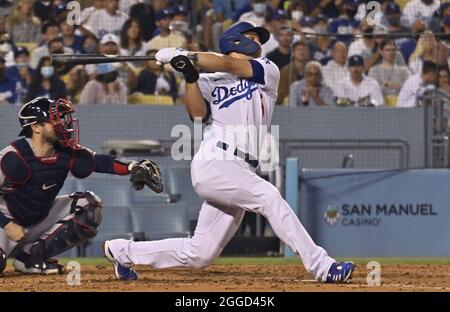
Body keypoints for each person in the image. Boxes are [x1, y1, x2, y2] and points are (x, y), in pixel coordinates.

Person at [104, 21, 355, 283]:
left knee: (200, 253)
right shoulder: (209, 80)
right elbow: (197, 114)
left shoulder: (267, 69)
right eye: (252, 37)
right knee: (268, 196)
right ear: (235, 40)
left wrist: (185, 56)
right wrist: (190, 75)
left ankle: (122, 251)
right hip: (216, 161)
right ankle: (322, 266)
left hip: (241, 169)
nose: (259, 42)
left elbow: (229, 65)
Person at [0, 97, 163, 275]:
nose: (62, 124)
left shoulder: (64, 151)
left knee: (88, 206)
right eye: (54, 119)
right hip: (6, 225)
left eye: (61, 118)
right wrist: (7, 224)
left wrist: (132, 166)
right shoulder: (13, 157)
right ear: (36, 127)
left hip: (37, 220)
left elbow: (99, 162)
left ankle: (30, 259)